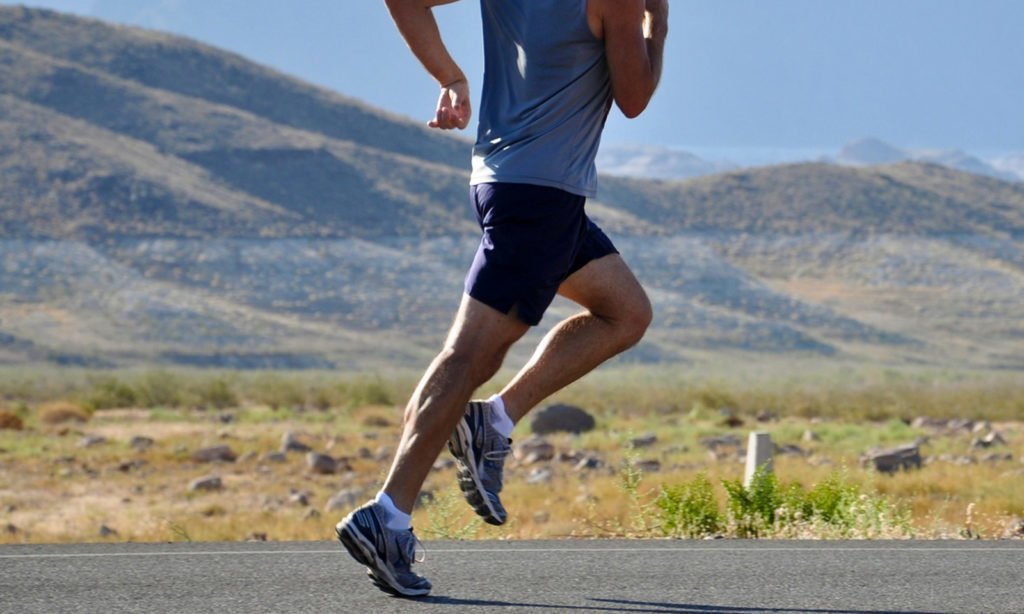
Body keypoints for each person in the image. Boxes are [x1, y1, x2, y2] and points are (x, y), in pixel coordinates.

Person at [336, 0, 668, 597]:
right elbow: (635, 96)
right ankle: (387, 514)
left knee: (625, 312)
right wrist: (656, 23)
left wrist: (450, 77)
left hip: (510, 185)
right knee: (466, 358)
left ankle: (493, 419)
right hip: (538, 200)